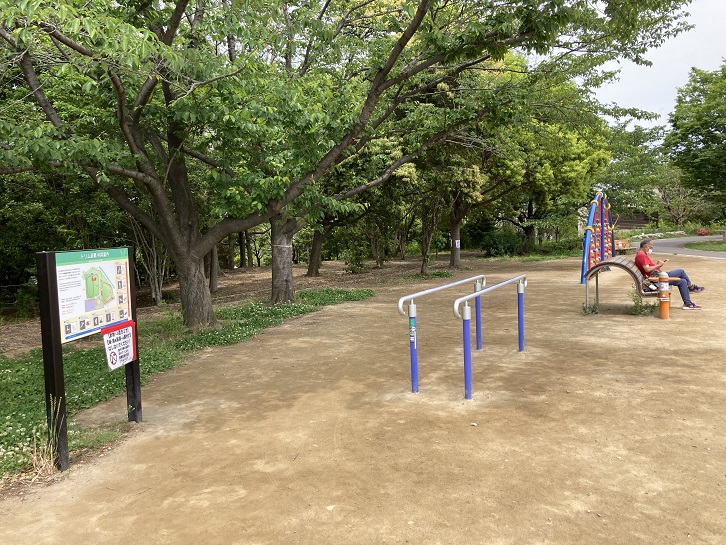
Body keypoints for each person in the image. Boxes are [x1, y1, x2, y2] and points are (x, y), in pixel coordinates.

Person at [634, 239, 704, 310]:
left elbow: (648, 268)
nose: (651, 250)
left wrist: (657, 265)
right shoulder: (641, 255)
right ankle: (691, 287)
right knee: (681, 271)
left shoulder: (641, 255)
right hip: (657, 279)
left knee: (683, 281)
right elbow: (647, 269)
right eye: (651, 248)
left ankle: (687, 303)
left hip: (658, 277)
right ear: (646, 246)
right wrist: (658, 265)